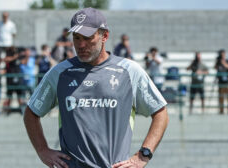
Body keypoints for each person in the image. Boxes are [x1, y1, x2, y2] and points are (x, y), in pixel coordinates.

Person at [24, 7, 169, 168]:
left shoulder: (129, 71)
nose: (81, 44)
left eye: (88, 37)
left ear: (104, 36)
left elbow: (160, 113)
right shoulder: (59, 73)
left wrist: (143, 155)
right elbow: (31, 112)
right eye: (76, 38)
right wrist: (43, 150)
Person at [3, 46, 24, 114]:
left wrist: (26, 55)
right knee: (9, 95)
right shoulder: (10, 56)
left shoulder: (19, 56)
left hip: (18, 79)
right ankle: (8, 110)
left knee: (19, 95)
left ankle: (22, 110)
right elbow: (6, 59)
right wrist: (14, 57)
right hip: (10, 79)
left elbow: (24, 62)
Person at [215, 49, 228, 114]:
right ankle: (221, 111)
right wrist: (217, 62)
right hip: (221, 82)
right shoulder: (219, 62)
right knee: (221, 97)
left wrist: (224, 63)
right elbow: (215, 68)